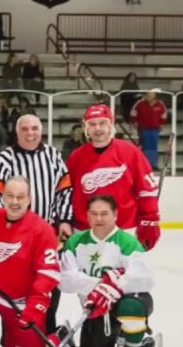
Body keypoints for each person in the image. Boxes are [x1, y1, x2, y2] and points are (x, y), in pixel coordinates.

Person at [59, 194, 159, 347]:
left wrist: (115, 287)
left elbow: (144, 279)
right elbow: (65, 280)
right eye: (94, 214)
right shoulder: (76, 242)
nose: (99, 219)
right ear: (87, 216)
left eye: (104, 214)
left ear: (115, 215)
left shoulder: (126, 242)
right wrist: (100, 285)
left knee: (131, 307)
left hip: (124, 304)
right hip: (95, 311)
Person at [0, 175, 67, 347]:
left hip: (20, 300)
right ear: (3, 196)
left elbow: (48, 274)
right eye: (10, 196)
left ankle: (57, 337)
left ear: (29, 199)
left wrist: (35, 307)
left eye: (20, 197)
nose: (15, 202)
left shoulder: (42, 229)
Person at [65, 104, 161, 250]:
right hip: (85, 231)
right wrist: (65, 221)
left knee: (126, 273)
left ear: (111, 125)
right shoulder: (76, 157)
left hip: (123, 229)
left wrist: (150, 220)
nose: (97, 128)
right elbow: (67, 194)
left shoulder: (130, 152)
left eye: (102, 123)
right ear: (86, 128)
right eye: (92, 124)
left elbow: (147, 190)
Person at [0, 114, 74, 235]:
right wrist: (7, 221)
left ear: (41, 131)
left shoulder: (53, 155)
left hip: (46, 229)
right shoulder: (4, 159)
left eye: (34, 128)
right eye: (24, 129)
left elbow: (65, 190)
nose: (30, 133)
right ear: (17, 132)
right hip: (14, 231)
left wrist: (64, 220)